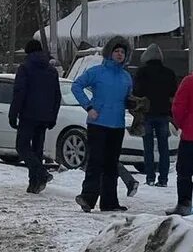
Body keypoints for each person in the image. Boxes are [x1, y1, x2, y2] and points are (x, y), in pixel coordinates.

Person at [72, 36, 133, 213]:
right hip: (98, 123)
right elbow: (77, 86)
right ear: (109, 52)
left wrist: (135, 106)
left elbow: (128, 99)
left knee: (111, 164)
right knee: (95, 161)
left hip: (117, 125)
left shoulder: (126, 77)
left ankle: (109, 202)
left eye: (123, 52)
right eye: (116, 51)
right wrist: (88, 106)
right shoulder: (97, 72)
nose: (119, 54)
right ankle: (87, 198)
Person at [10, 39, 61, 194]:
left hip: (28, 114)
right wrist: (53, 116)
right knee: (37, 149)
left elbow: (19, 92)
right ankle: (35, 183)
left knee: (22, 146)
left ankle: (41, 174)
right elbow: (57, 95)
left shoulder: (25, 68)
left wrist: (13, 114)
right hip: (45, 116)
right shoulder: (52, 70)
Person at [134, 43, 178, 187]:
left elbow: (137, 92)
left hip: (146, 114)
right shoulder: (169, 73)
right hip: (163, 114)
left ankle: (150, 177)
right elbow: (173, 93)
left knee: (148, 147)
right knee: (163, 147)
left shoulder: (142, 72)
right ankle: (163, 179)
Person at [167, 55, 193, 216]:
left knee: (184, 171)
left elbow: (177, 107)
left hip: (191, 135)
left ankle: (184, 205)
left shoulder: (189, 82)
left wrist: (182, 125)